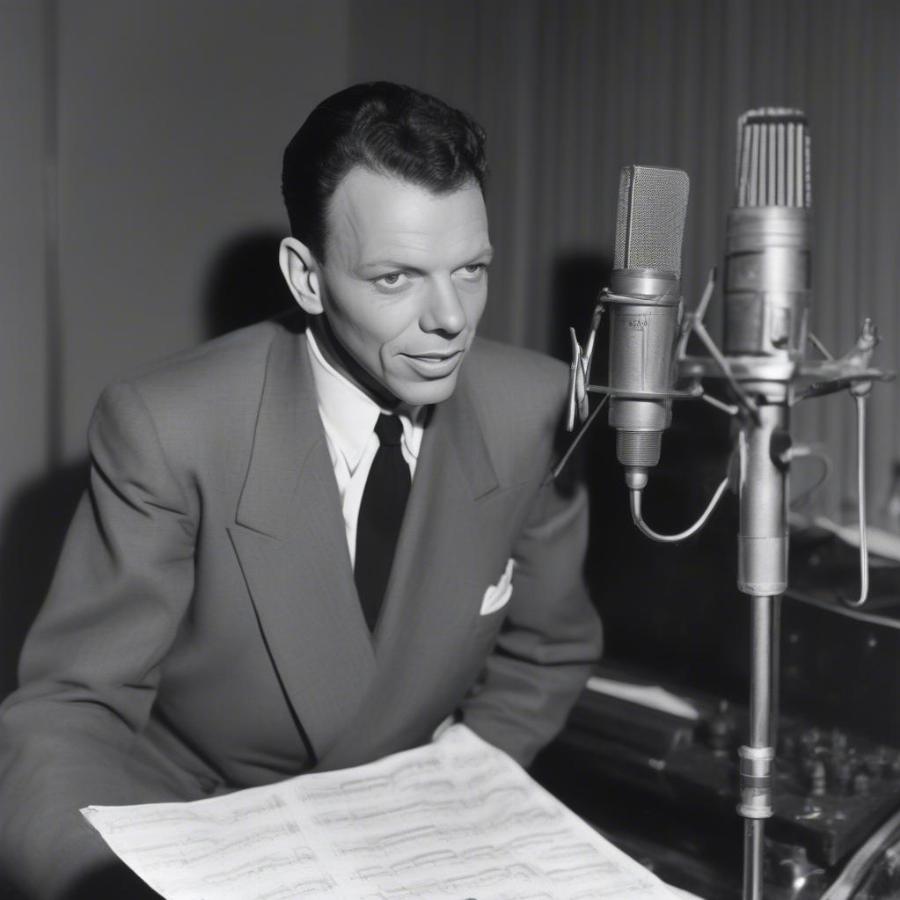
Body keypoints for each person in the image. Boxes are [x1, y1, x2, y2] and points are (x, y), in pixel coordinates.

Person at [0, 82, 603, 899]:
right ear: (307, 278)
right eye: (396, 278)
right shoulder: (169, 427)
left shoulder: (535, 410)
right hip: (199, 830)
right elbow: (71, 712)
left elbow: (549, 651)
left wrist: (449, 797)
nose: (452, 318)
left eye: (471, 269)